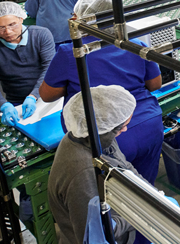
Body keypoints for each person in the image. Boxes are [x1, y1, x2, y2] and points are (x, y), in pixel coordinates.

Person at [40, 0, 163, 184]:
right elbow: (155, 84)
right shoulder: (134, 44)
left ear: (81, 19)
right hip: (149, 124)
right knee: (145, 188)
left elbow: (47, 95)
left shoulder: (71, 52)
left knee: (112, 192)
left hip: (109, 135)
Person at [48, 85, 140, 244]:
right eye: (121, 126)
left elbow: (124, 165)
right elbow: (100, 233)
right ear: (103, 129)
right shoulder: (81, 174)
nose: (125, 129)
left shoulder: (97, 138)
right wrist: (139, 214)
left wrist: (152, 193)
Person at [0, 2, 55, 126]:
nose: (8, 32)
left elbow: (50, 69)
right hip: (17, 103)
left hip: (50, 94)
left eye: (12, 24)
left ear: (21, 19)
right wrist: (4, 105)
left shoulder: (41, 35)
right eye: (0, 27)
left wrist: (33, 96)